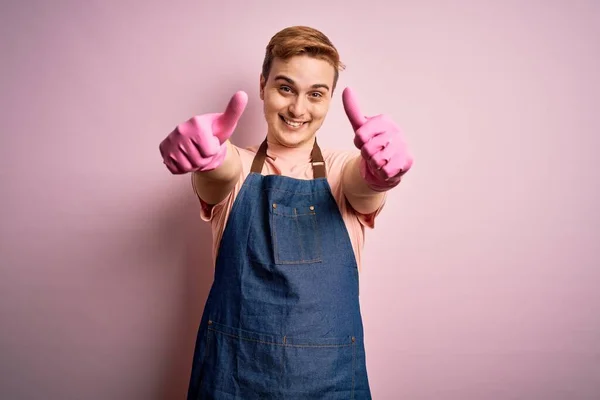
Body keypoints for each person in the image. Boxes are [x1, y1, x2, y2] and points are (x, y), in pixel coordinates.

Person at [159, 25, 413, 399]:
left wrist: (380, 176)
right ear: (263, 86)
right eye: (285, 88)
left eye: (315, 94)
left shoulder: (346, 170)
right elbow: (221, 172)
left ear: (328, 101)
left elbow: (364, 186)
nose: (298, 108)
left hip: (331, 380)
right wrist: (208, 158)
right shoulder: (239, 167)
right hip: (232, 378)